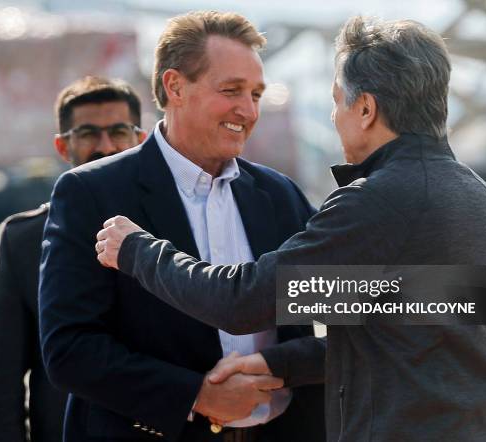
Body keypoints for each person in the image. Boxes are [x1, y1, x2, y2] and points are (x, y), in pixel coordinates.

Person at [97, 16, 486, 441]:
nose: (335, 117)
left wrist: (137, 250)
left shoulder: (374, 200)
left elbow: (241, 302)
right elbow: (397, 315)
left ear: (366, 109)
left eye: (337, 102)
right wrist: (280, 364)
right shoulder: (474, 192)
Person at [40, 11, 325, 442]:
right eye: (230, 90)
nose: (247, 110)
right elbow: (70, 349)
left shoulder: (281, 194)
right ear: (174, 86)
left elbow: (347, 317)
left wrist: (279, 367)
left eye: (256, 94)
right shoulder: (91, 192)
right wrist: (196, 396)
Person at [0, 76, 145, 442]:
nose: (105, 146)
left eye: (118, 131)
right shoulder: (23, 240)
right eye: (88, 133)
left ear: (141, 139)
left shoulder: (174, 228)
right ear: (61, 145)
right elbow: (1, 380)